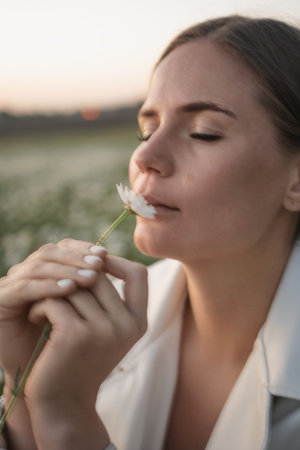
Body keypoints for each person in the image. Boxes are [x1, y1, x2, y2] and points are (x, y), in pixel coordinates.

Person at [0, 13, 300, 450]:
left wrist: (67, 416)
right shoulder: (84, 326)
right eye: (147, 128)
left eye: (204, 133)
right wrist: (23, 382)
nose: (146, 155)